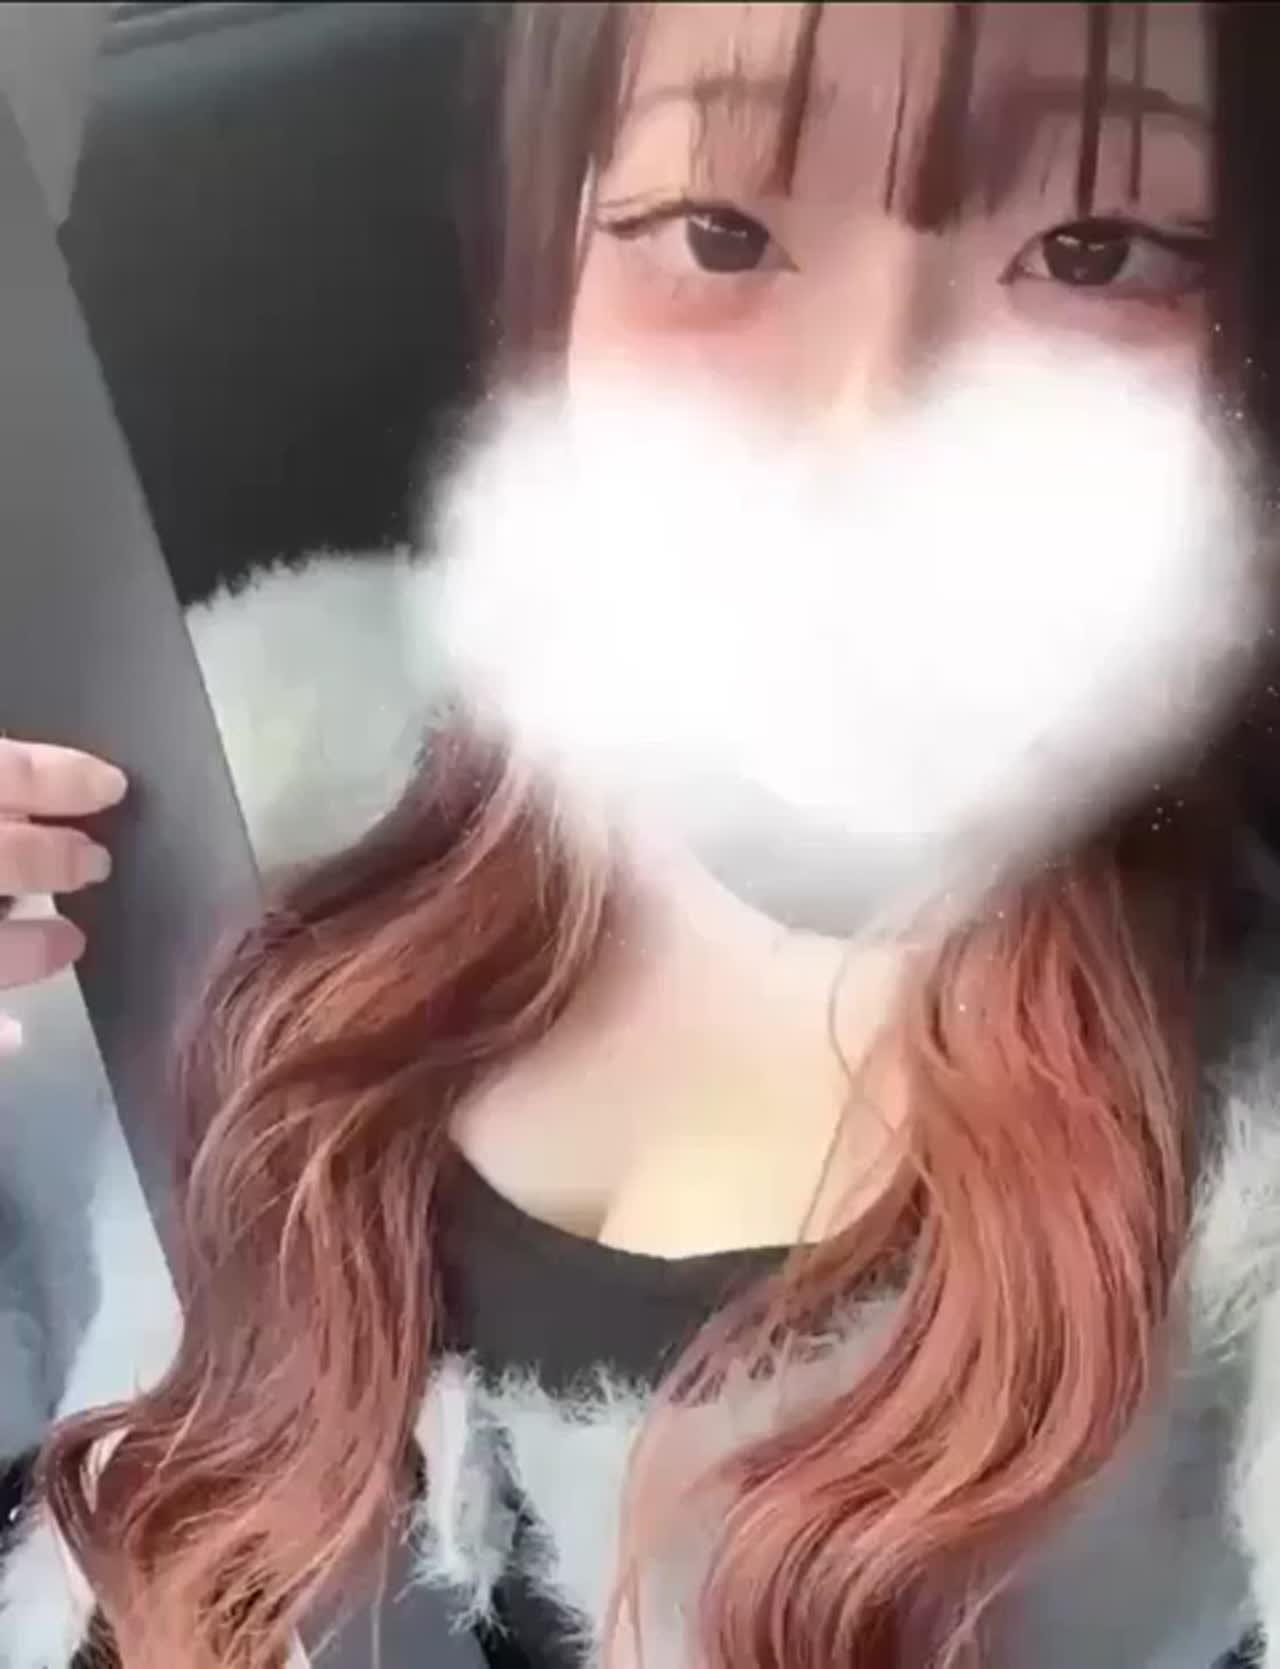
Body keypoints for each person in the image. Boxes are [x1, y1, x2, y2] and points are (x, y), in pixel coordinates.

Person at [1, 4, 1279, 1667]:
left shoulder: (1236, 1151)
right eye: (721, 233)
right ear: (553, 272)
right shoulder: (219, 790)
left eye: (1091, 250)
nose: (870, 422)